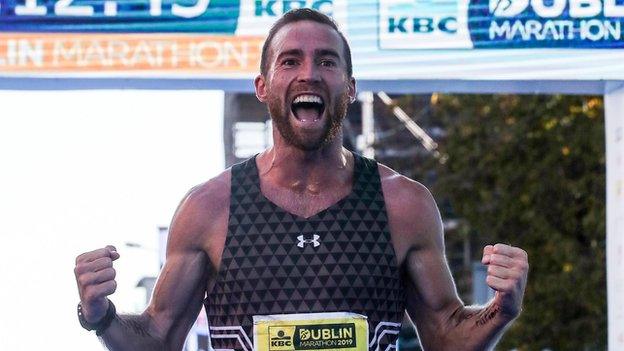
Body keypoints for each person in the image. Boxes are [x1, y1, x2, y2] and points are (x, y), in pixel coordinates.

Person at [74, 8, 529, 351]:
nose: (309, 73)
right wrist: (100, 315)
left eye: (327, 62)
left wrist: (500, 311)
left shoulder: (402, 205)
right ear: (263, 87)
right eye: (290, 61)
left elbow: (446, 336)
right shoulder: (210, 208)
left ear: (349, 87)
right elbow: (158, 336)